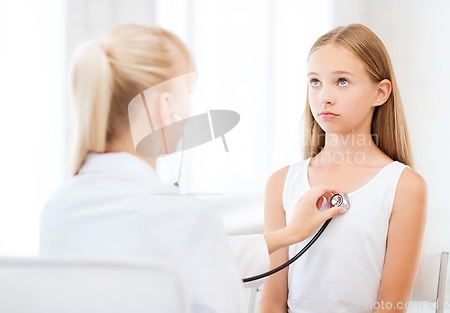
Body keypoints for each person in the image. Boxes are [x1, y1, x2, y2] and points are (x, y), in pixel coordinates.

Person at [38, 23, 346, 313]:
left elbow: (183, 253)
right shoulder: (186, 219)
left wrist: (290, 233)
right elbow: (192, 248)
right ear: (164, 106)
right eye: (188, 93)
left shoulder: (59, 208)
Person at [259, 24, 427, 313]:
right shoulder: (280, 183)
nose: (324, 96)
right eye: (315, 81)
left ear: (380, 92)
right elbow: (272, 302)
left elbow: (390, 308)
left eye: (342, 82)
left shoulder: (405, 187)